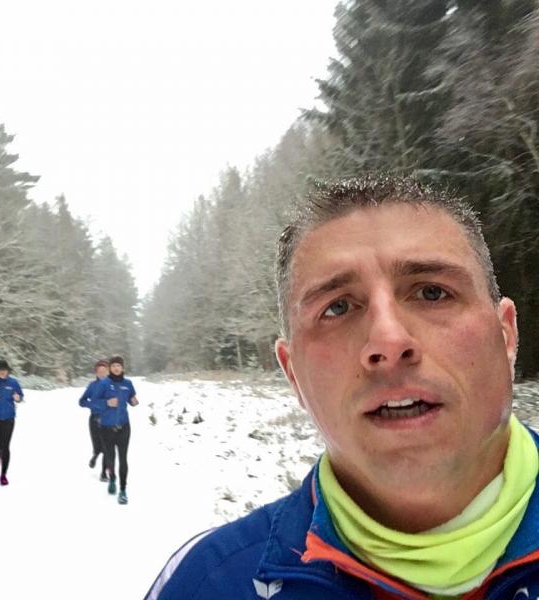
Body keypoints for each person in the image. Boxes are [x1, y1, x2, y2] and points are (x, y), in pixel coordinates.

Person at [144, 176, 539, 599]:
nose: (388, 341)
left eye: (431, 292)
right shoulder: (207, 584)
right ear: (293, 373)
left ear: (506, 335)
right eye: (337, 307)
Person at [92, 355, 138, 504]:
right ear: (110, 368)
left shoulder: (128, 383)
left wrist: (133, 401)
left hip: (124, 426)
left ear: (122, 367)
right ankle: (112, 478)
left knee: (123, 459)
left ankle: (123, 490)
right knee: (110, 458)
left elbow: (131, 398)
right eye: (113, 366)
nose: (116, 368)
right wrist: (107, 403)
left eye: (119, 365)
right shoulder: (103, 384)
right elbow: (93, 402)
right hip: (107, 427)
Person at [79, 358, 110, 481]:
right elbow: (81, 401)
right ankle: (95, 455)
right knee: (97, 445)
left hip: (109, 419)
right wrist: (92, 405)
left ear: (108, 372)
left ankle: (104, 473)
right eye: (99, 371)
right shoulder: (92, 386)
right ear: (96, 373)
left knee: (107, 448)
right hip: (94, 419)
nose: (102, 373)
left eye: (104, 371)